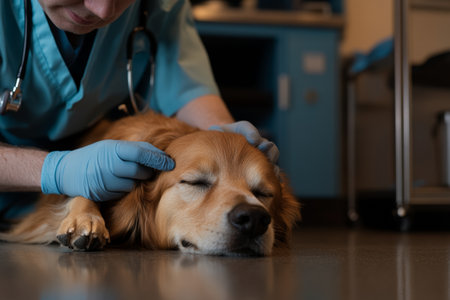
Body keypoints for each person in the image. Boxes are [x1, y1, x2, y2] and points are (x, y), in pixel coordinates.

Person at [0, 0, 278, 219]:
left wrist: (227, 139)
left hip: (81, 209)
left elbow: (186, 86)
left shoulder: (159, 4)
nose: (103, 10)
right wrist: (57, 171)